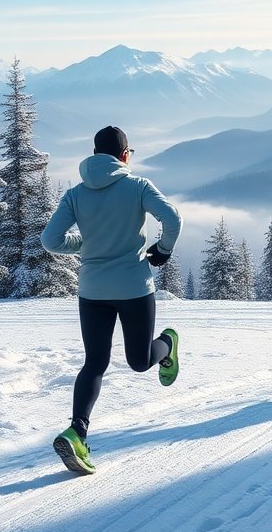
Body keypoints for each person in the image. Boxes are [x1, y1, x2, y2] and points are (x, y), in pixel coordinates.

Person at [41, 126, 183, 475]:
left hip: (92, 292)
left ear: (94, 155)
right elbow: (173, 219)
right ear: (124, 156)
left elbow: (51, 240)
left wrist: (86, 245)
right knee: (138, 361)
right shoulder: (137, 187)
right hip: (134, 288)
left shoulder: (76, 194)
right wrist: (162, 250)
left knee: (94, 364)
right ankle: (168, 343)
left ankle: (78, 430)